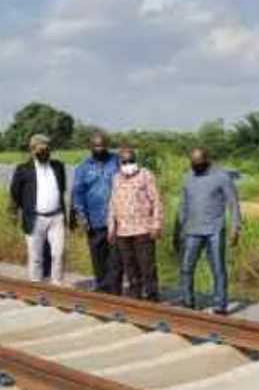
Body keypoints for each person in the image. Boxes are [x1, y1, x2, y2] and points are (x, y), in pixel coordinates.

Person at [175, 147, 241, 314]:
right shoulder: (188, 177)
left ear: (207, 160)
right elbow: (183, 205)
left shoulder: (221, 177)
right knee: (186, 267)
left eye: (199, 163)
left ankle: (220, 304)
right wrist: (179, 229)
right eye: (193, 163)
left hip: (214, 230)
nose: (195, 166)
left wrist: (235, 227)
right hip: (192, 230)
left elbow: (233, 204)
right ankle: (187, 300)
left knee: (218, 268)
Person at [9, 134, 67, 285]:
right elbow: (15, 193)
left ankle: (57, 285)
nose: (43, 153)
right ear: (32, 150)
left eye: (46, 149)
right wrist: (16, 212)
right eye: (39, 150)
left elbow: (62, 189)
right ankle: (36, 285)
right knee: (36, 257)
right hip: (34, 218)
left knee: (58, 254)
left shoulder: (58, 167)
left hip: (56, 217)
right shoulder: (23, 169)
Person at [107, 146, 163, 301]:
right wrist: (111, 227)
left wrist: (156, 225)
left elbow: (156, 201)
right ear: (120, 162)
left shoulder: (146, 175)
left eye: (131, 161)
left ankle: (152, 295)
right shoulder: (116, 178)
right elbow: (112, 203)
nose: (128, 164)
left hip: (143, 229)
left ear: (136, 160)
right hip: (123, 231)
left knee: (147, 266)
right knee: (130, 267)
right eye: (124, 161)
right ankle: (135, 295)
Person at [71, 132, 123, 294]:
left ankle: (115, 290)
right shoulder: (83, 167)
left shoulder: (117, 162)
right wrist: (82, 216)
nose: (99, 148)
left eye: (102, 145)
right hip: (94, 220)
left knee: (116, 258)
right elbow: (78, 193)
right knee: (98, 257)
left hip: (117, 220)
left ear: (107, 145)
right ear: (90, 147)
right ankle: (102, 288)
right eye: (96, 146)